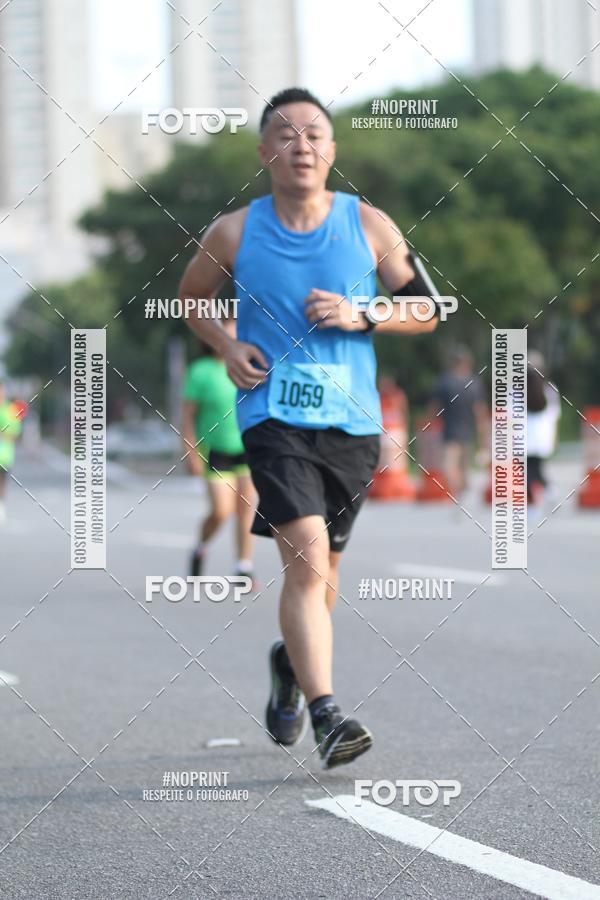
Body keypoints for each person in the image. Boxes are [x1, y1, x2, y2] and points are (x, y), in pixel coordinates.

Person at [179, 87, 437, 768]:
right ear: (265, 152)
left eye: (315, 134)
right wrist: (229, 348)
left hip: (349, 424)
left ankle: (289, 663)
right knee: (307, 556)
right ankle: (328, 715)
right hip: (272, 415)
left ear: (332, 149)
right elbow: (190, 298)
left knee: (323, 581)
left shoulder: (371, 225)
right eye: (287, 135)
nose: (302, 145)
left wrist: (365, 314)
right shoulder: (234, 231)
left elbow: (429, 311)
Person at [181, 318, 257, 580]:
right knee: (221, 511)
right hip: (216, 450)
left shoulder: (250, 365)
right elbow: (187, 417)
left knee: (247, 509)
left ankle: (243, 567)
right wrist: (190, 452)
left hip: (247, 447)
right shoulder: (201, 371)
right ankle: (200, 547)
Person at [430, 347, 488, 500]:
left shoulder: (445, 382)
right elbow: (480, 411)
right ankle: (463, 493)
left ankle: (459, 493)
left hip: (450, 431)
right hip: (467, 432)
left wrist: (428, 425)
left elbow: (434, 409)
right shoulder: (474, 384)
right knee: (463, 467)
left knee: (449, 467)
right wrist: (483, 436)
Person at [527, 353, 560, 505]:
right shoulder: (550, 389)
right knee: (535, 470)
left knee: (530, 472)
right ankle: (549, 493)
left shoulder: (515, 391)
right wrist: (554, 438)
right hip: (542, 438)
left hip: (525, 439)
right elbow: (554, 417)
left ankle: (537, 500)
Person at [0, 382, 22, 525]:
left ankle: (1, 507)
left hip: (4, 455)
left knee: (2, 482)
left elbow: (15, 434)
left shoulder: (10, 410)